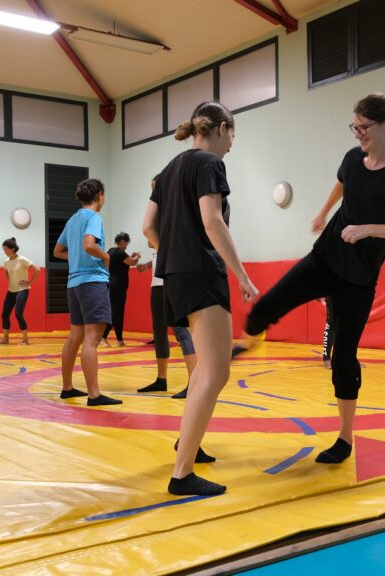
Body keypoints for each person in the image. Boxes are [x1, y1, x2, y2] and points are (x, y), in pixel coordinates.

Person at [233, 93, 385, 464]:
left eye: (364, 127)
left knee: (343, 357)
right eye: (354, 126)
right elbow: (342, 184)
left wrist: (370, 229)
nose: (358, 134)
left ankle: (344, 438)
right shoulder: (352, 159)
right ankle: (249, 340)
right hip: (325, 257)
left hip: (358, 279)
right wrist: (323, 212)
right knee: (265, 306)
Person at [142, 101, 259, 496]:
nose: (232, 144)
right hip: (200, 273)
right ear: (221, 128)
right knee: (215, 371)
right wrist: (241, 274)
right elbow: (212, 219)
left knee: (204, 370)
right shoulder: (209, 164)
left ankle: (186, 445)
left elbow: (147, 227)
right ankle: (182, 473)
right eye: (233, 135)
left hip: (174, 276)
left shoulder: (169, 169)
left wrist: (173, 255)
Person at [53, 178, 122, 406]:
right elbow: (88, 244)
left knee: (76, 337)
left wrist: (76, 259)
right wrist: (106, 256)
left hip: (74, 284)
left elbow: (57, 251)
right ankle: (94, 394)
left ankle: (67, 388)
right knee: (92, 339)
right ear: (100, 195)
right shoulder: (93, 217)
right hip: (92, 282)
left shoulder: (73, 219)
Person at [136, 240, 198, 399]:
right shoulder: (163, 224)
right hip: (156, 285)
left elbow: (154, 241)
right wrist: (149, 265)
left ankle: (194, 382)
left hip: (172, 281)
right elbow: (156, 249)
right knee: (159, 331)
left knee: (181, 330)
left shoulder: (173, 224)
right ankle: (161, 379)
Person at [101, 232, 141, 347]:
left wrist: (131, 255)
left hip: (113, 283)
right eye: (126, 243)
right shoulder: (119, 252)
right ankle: (103, 337)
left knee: (119, 312)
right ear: (122, 242)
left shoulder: (111, 251)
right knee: (116, 312)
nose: (126, 246)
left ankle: (120, 340)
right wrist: (137, 256)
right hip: (118, 286)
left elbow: (120, 261)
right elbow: (132, 262)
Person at [0, 237, 35, 345]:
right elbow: (6, 272)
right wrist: (9, 279)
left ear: (13, 249)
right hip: (11, 291)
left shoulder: (22, 259)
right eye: (3, 250)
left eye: (6, 250)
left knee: (18, 314)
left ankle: (25, 340)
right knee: (4, 315)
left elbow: (36, 269)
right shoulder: (6, 262)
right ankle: (5, 339)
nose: (4, 252)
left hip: (22, 290)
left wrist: (30, 282)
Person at [321, 296, 336, 369]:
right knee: (331, 323)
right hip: (333, 290)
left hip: (349, 289)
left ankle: (349, 359)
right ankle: (326, 358)